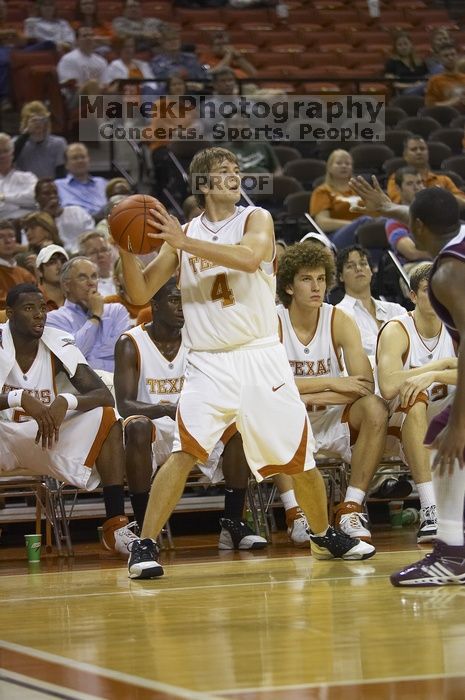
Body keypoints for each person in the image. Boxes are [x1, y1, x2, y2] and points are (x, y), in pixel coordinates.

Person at [119, 146, 374, 578]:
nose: (235, 175)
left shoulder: (255, 219)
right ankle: (144, 546)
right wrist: (126, 246)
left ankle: (323, 534)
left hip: (260, 356)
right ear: (203, 184)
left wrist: (183, 242)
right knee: (184, 453)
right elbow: (140, 294)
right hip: (209, 363)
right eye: (223, 171)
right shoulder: (183, 235)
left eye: (237, 169)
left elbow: (251, 257)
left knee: (299, 459)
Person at [349, 177, 465, 586]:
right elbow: (442, 217)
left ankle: (451, 556)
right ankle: (451, 549)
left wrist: (458, 423)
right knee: (437, 432)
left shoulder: (448, 275)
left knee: (447, 435)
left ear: (416, 228)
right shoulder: (457, 237)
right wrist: (392, 209)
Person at [114, 278, 267, 551]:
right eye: (174, 300)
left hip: (195, 420)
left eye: (186, 301)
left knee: (238, 427)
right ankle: (143, 526)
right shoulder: (130, 342)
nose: (182, 307)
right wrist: (165, 409)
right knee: (136, 427)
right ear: (155, 304)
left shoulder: (201, 339)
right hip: (153, 425)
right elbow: (125, 404)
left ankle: (232, 524)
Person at [0, 283, 140, 558]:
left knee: (106, 417)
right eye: (29, 308)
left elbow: (102, 395)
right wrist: (19, 398)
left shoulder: (57, 341)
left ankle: (115, 526)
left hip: (45, 437)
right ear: (9, 314)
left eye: (42, 308)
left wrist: (66, 401)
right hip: (4, 435)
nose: (39, 315)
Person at [276, 242, 388, 544]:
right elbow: (268, 388)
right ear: (288, 285)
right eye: (306, 279)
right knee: (272, 410)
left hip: (332, 416)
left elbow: (363, 384)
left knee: (375, 407)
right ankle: (294, 512)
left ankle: (351, 507)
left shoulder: (338, 319)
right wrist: (334, 383)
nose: (317, 287)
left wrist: (308, 394)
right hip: (290, 420)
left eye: (322, 279)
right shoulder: (273, 323)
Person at [377, 262, 457, 543]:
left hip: (443, 414)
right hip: (401, 419)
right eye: (427, 291)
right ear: (412, 296)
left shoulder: (455, 325)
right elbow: (388, 386)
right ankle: (429, 508)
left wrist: (436, 371)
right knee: (416, 397)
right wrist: (443, 366)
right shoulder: (397, 329)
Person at [46, 257, 129, 373]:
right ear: (66, 285)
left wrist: (88, 356)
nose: (91, 283)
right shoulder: (53, 319)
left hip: (118, 384)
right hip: (81, 390)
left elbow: (123, 354)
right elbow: (73, 358)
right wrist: (95, 316)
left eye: (94, 276)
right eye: (82, 277)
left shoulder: (117, 311)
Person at [336, 245, 406, 359]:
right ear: (341, 277)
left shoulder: (396, 310)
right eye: (350, 266)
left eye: (363, 263)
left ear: (372, 271)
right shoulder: (339, 313)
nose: (358, 268)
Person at [309, 149, 371, 249]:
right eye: (339, 163)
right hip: (334, 236)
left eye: (347, 163)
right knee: (365, 221)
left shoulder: (360, 190)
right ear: (329, 167)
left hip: (364, 231)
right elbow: (322, 223)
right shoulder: (322, 191)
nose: (344, 166)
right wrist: (353, 225)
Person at [386, 135, 465, 207]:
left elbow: (463, 201)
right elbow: (398, 204)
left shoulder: (444, 179)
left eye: (422, 149)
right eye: (414, 149)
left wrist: (444, 195)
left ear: (428, 153)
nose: (419, 152)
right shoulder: (395, 178)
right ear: (405, 155)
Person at [385, 166, 431, 268]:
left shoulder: (434, 213)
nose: (417, 188)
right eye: (410, 184)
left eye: (419, 182)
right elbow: (412, 253)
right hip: (412, 267)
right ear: (398, 188)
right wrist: (444, 252)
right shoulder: (394, 220)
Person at [34, 177, 95, 255]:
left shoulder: (77, 212)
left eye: (55, 192)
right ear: (37, 198)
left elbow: (91, 236)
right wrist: (48, 217)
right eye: (47, 193)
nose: (52, 196)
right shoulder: (35, 222)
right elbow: (31, 246)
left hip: (83, 255)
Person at [14, 101, 67, 180]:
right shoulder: (16, 142)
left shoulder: (59, 143)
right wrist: (26, 134)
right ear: (25, 123)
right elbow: (9, 158)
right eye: (33, 120)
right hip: (25, 186)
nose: (37, 123)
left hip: (51, 186)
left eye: (41, 119)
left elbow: (61, 173)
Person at [56, 27, 108, 108]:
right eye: (85, 36)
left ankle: (129, 118)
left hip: (99, 94)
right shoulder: (69, 59)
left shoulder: (101, 61)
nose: (89, 38)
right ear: (77, 40)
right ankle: (100, 118)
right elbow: (71, 86)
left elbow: (105, 84)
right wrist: (93, 87)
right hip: (74, 99)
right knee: (93, 83)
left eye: (91, 35)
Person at [55, 143, 108, 216]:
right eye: (75, 158)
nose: (80, 161)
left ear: (89, 160)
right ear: (66, 164)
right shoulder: (57, 186)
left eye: (83, 157)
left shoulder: (102, 182)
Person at [0, 133, 37, 221]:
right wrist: (21, 202)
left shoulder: (28, 177)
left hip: (27, 223)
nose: (2, 156)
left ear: (12, 154)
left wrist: (3, 198)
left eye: (6, 151)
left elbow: (35, 198)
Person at [0, 220, 35, 309]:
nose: (7, 241)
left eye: (11, 236)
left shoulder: (25, 273)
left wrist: (39, 273)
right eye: (1, 237)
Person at [425, 43, 465, 111]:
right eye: (446, 56)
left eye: (453, 54)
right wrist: (451, 102)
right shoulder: (434, 81)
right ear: (440, 59)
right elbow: (429, 106)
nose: (450, 58)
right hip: (446, 117)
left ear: (458, 56)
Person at [78, 230, 117, 297]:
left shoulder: (121, 278)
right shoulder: (85, 287)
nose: (100, 255)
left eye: (104, 250)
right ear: (83, 258)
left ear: (110, 253)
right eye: (93, 252)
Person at [35, 243, 68, 310]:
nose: (60, 266)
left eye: (63, 261)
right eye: (52, 262)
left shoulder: (76, 300)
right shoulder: (32, 300)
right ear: (40, 271)